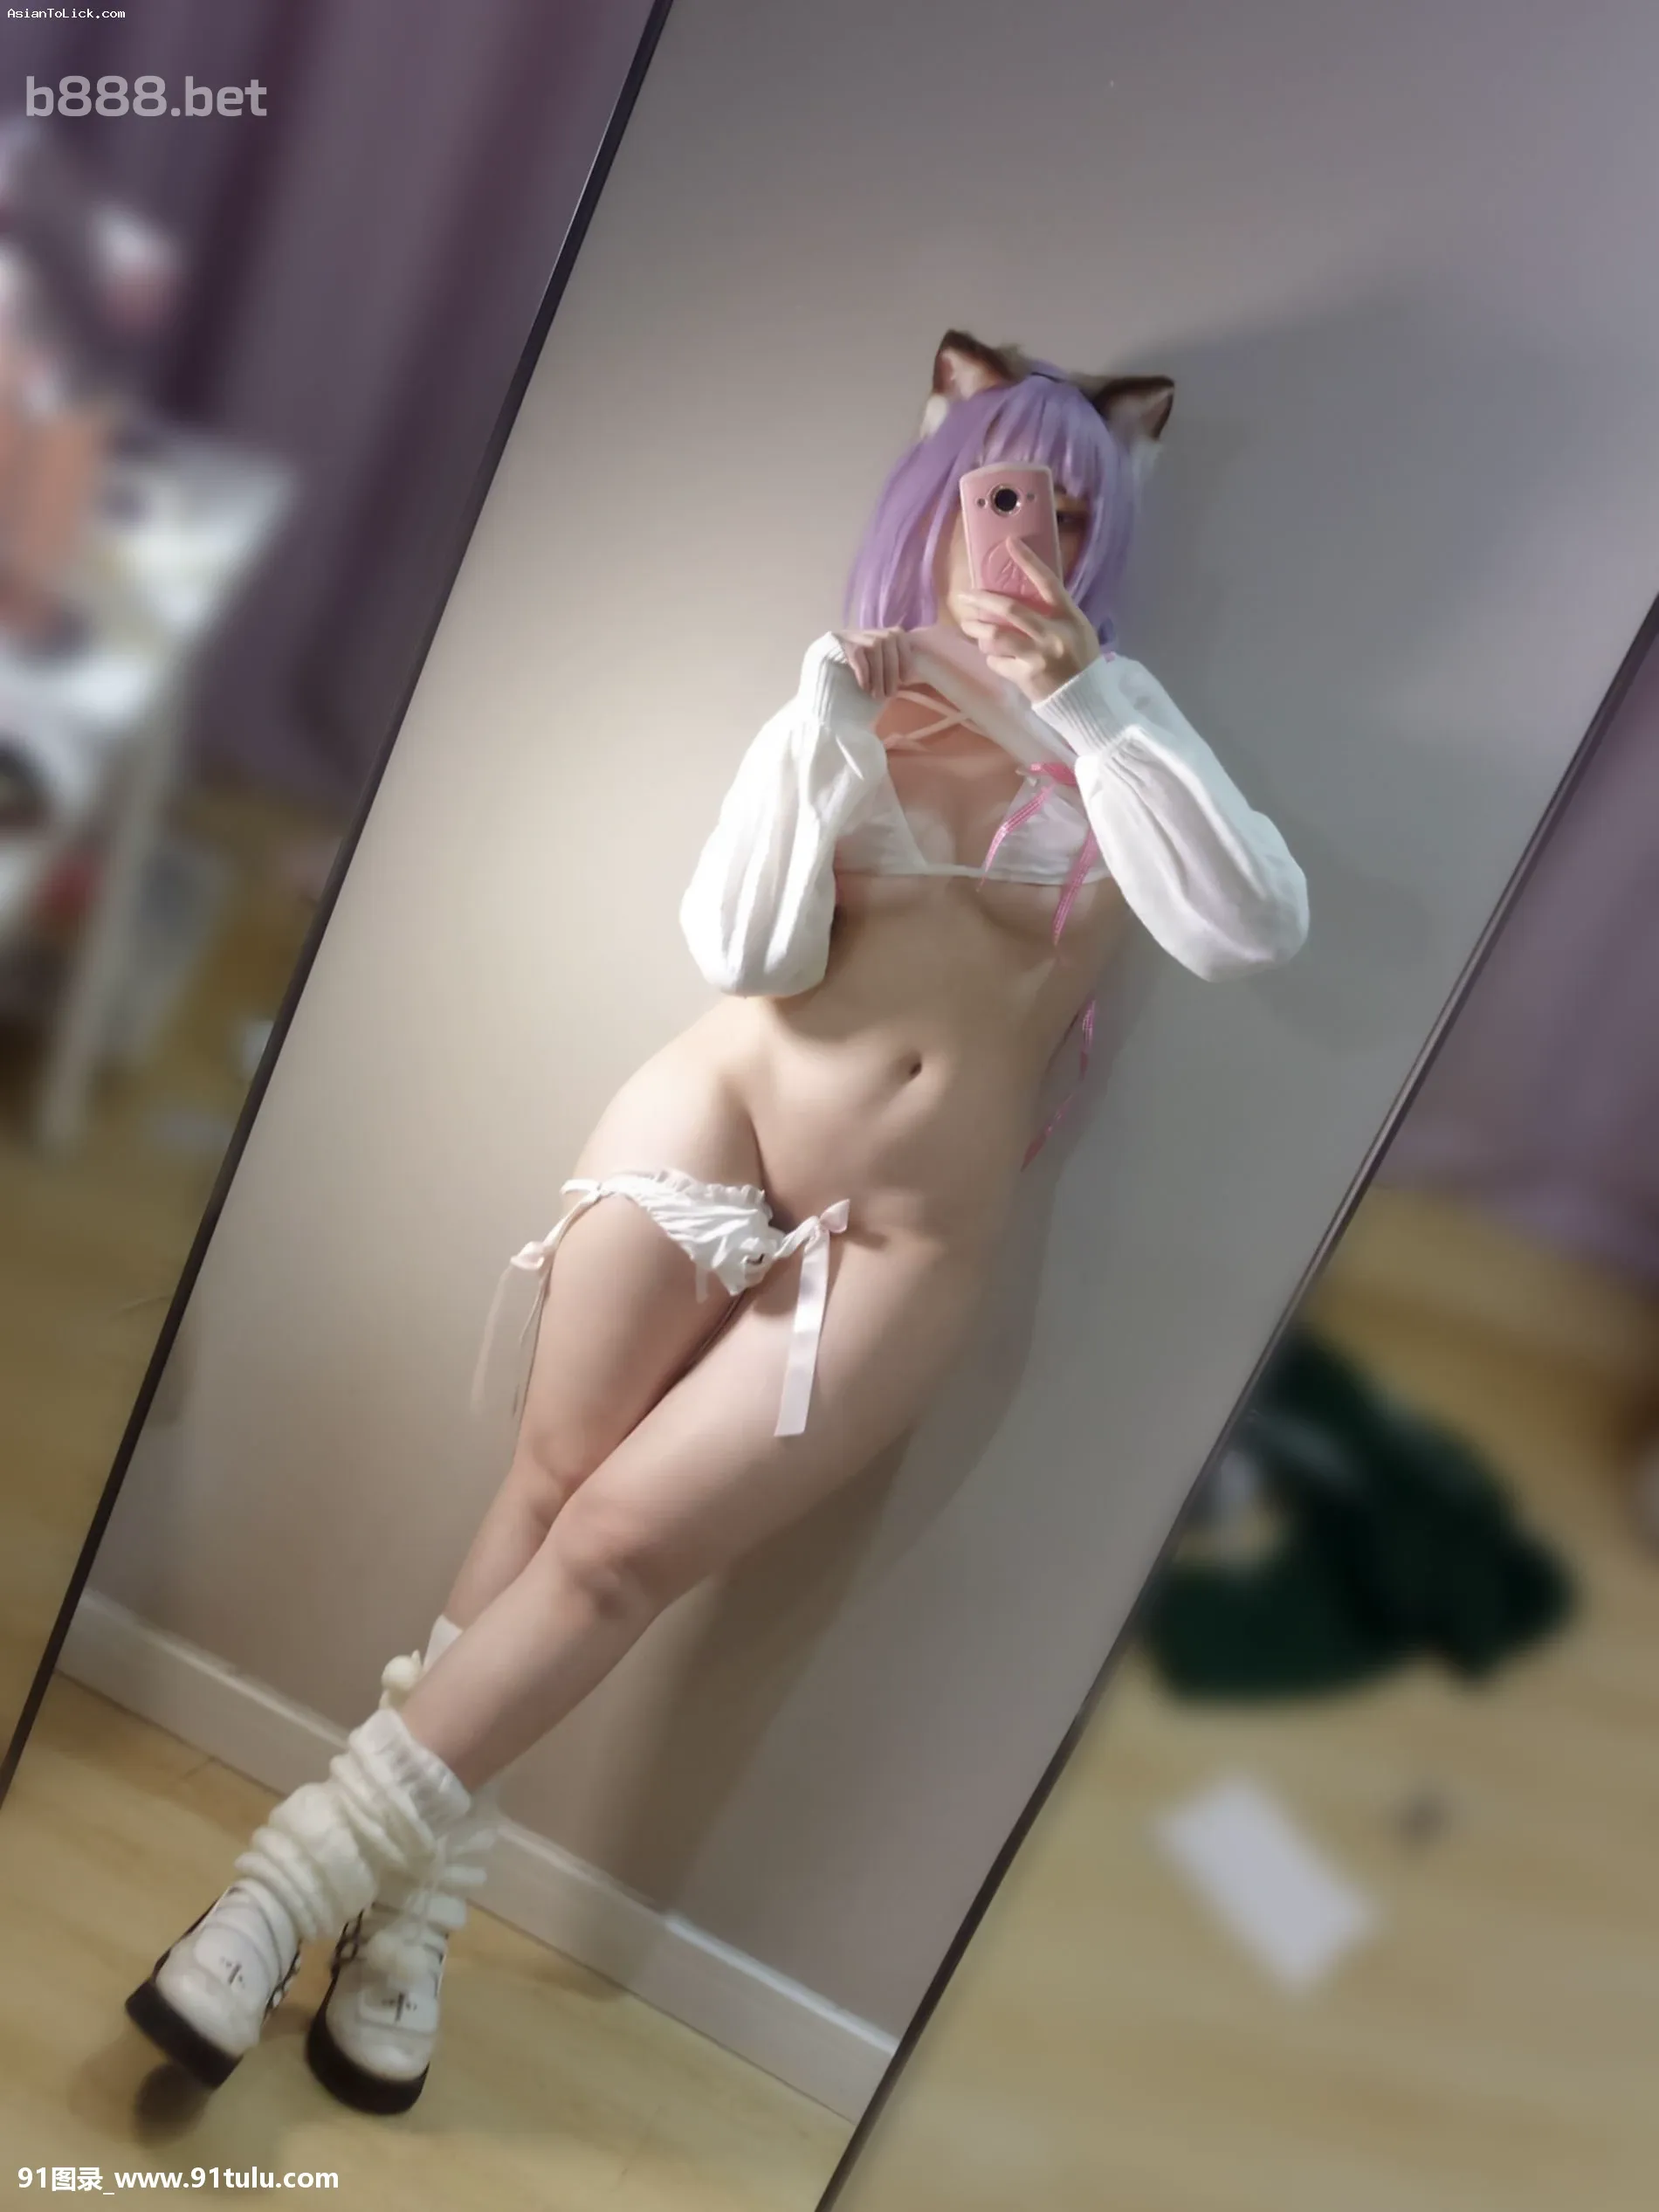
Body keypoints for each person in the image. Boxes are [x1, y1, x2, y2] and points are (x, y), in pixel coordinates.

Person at [126, 330, 1309, 2112]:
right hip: (715, 1114)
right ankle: (404, 1918)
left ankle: (284, 1886)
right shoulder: (843, 687)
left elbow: (1247, 927)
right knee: (548, 1491)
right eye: (1000, 497)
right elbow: (746, 949)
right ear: (935, 498)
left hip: (905, 1235)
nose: (1031, 543)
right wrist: (829, 723)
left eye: (1072, 514)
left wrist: (1087, 707)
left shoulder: (1121, 733)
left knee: (616, 1549)